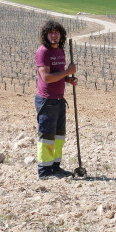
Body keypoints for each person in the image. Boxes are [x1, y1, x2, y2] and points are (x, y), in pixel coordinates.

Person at [35, 20, 77, 180]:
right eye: (51, 32)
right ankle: (44, 172)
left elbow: (57, 74)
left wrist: (68, 79)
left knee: (59, 137)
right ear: (46, 35)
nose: (54, 35)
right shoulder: (43, 52)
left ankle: (55, 168)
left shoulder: (60, 51)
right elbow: (46, 77)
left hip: (59, 100)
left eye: (57, 32)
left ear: (61, 34)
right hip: (47, 101)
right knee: (47, 137)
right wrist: (68, 71)